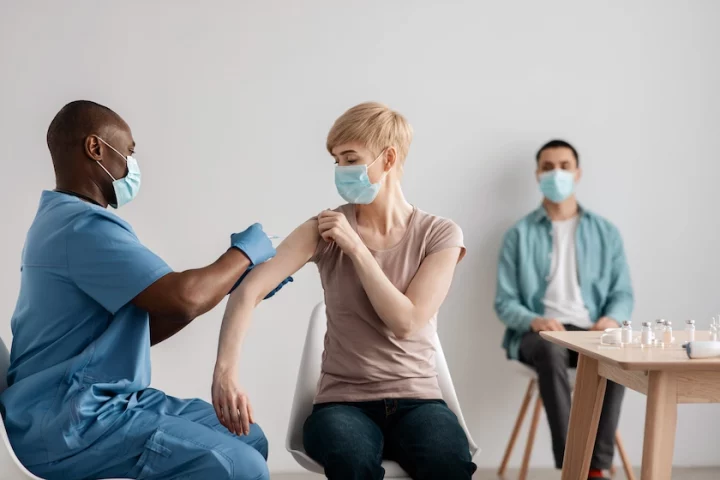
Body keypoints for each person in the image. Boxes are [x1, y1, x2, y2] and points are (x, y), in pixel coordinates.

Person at [0, 100, 291, 480]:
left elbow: (147, 323)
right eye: (129, 152)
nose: (132, 166)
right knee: (239, 467)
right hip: (72, 421)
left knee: (248, 438)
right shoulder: (81, 228)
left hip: (96, 404)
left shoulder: (64, 221)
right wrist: (243, 252)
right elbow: (182, 296)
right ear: (95, 148)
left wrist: (231, 284)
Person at [212, 102, 477, 480]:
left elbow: (406, 322)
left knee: (448, 464)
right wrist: (226, 373)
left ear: (388, 159)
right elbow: (247, 292)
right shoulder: (323, 229)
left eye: (350, 158)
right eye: (336, 160)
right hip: (342, 405)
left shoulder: (440, 234)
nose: (341, 171)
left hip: (420, 402)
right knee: (352, 464)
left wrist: (355, 248)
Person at [494, 140, 633, 480]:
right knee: (551, 349)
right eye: (548, 166)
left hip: (592, 332)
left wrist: (610, 319)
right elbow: (505, 302)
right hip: (541, 336)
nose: (556, 173)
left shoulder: (606, 232)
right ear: (538, 174)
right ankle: (575, 466)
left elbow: (623, 292)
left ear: (577, 172)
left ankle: (596, 467)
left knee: (617, 352)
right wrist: (535, 320)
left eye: (564, 165)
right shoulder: (519, 234)